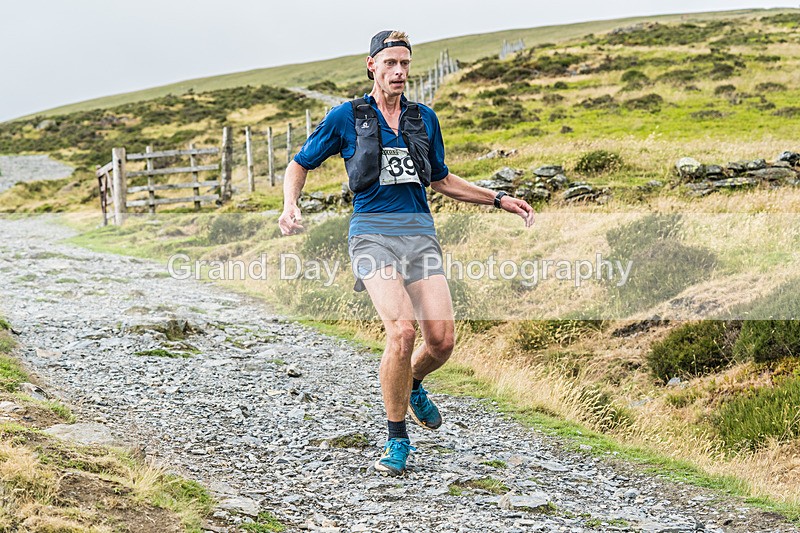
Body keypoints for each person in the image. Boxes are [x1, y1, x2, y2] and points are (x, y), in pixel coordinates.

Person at [278, 30, 535, 477]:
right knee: (401, 331)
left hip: (419, 236)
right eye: (390, 63)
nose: (399, 72)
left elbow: (442, 179)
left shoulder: (424, 119)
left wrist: (498, 199)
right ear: (372, 66)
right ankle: (397, 438)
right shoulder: (347, 117)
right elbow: (300, 163)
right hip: (372, 235)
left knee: (442, 341)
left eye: (405, 64)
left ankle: (412, 382)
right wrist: (290, 205)